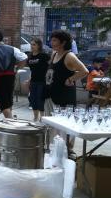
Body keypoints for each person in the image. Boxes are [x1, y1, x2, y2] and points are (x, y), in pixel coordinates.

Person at [45, 30, 88, 158]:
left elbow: (84, 71)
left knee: (65, 124)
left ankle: (68, 150)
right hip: (51, 93)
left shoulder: (69, 56)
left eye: (54, 40)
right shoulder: (54, 54)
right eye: (51, 40)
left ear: (63, 42)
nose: (51, 43)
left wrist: (70, 79)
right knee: (53, 125)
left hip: (64, 96)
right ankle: (55, 149)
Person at [0, 29, 28, 118]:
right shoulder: (12, 49)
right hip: (11, 76)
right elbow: (24, 58)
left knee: (3, 103)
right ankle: (9, 120)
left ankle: (10, 121)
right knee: (8, 99)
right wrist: (17, 68)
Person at [27, 38, 50, 122]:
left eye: (34, 44)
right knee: (33, 99)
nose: (32, 46)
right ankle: (35, 117)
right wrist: (29, 80)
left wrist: (49, 77)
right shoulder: (30, 56)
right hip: (33, 81)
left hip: (42, 81)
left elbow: (51, 65)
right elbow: (32, 70)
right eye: (31, 44)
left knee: (40, 99)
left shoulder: (44, 55)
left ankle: (42, 118)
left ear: (39, 45)